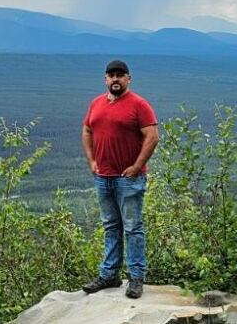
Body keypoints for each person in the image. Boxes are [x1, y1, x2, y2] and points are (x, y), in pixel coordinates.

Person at [81, 59, 159, 299]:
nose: (115, 79)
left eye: (120, 75)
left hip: (128, 179)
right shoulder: (96, 104)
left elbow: (152, 136)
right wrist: (92, 162)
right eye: (111, 75)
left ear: (128, 79)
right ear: (105, 79)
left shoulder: (139, 105)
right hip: (103, 177)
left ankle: (136, 279)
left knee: (133, 228)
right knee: (111, 227)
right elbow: (87, 131)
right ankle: (109, 275)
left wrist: (137, 166)